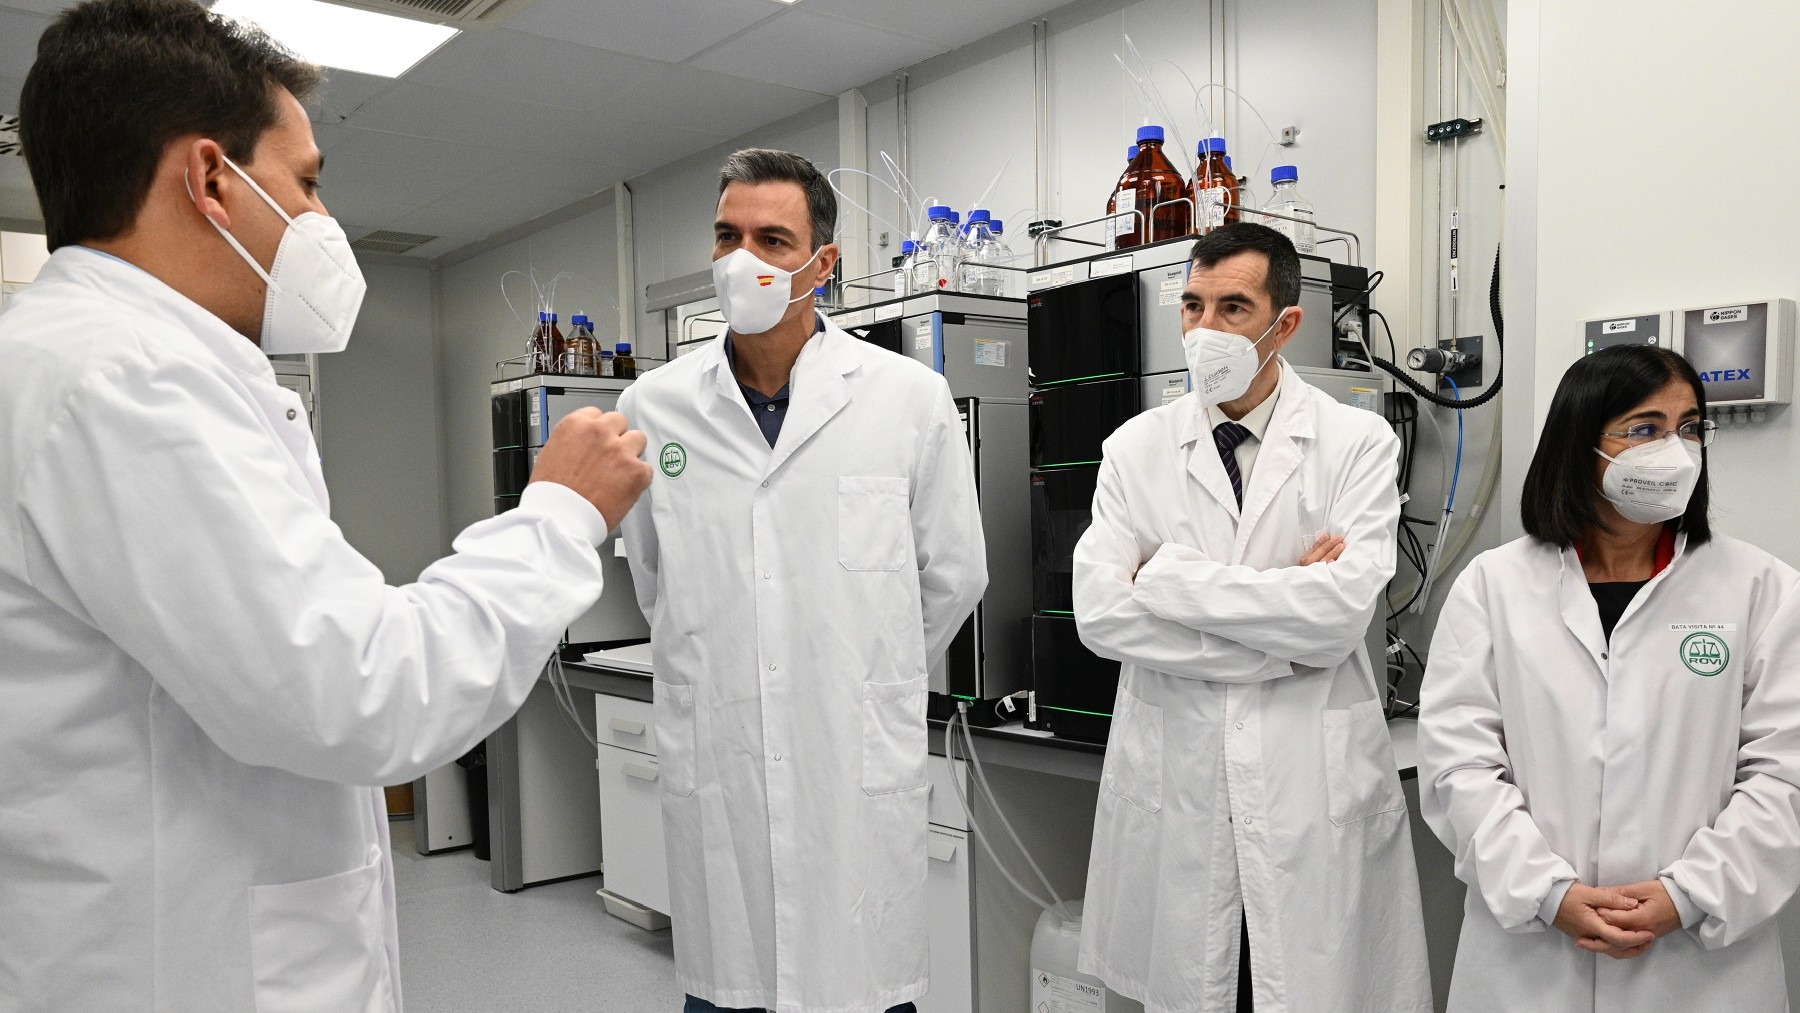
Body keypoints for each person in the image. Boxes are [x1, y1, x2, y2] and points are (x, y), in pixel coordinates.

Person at [0, 1, 652, 1008]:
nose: (319, 219)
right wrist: (561, 511)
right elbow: (362, 688)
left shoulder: (88, 361)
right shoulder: (122, 380)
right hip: (180, 965)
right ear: (211, 177)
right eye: (305, 183)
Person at [618, 149, 987, 1013]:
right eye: (727, 235)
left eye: (772, 239)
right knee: (729, 988)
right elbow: (654, 576)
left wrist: (863, 672)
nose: (740, 259)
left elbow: (953, 574)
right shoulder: (655, 407)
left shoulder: (906, 398)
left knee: (859, 981)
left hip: (849, 773)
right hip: (726, 772)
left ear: (823, 264)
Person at [1071, 222, 1433, 1012]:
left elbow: (1337, 621)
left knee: (1302, 983)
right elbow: (1100, 615)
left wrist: (1165, 577)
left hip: (1308, 792)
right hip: (1181, 785)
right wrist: (1277, 635)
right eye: (1193, 306)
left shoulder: (1356, 443)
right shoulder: (1135, 448)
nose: (1205, 330)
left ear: (1286, 324)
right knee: (1195, 983)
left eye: (1234, 307)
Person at [1418, 345, 1800, 1012]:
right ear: (1579, 442)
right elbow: (1459, 766)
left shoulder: (1760, 588)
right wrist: (1546, 891)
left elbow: (1785, 773)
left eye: (1689, 428)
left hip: (1699, 966)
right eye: (1646, 429)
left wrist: (1689, 893)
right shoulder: (1494, 586)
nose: (1676, 450)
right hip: (1531, 958)